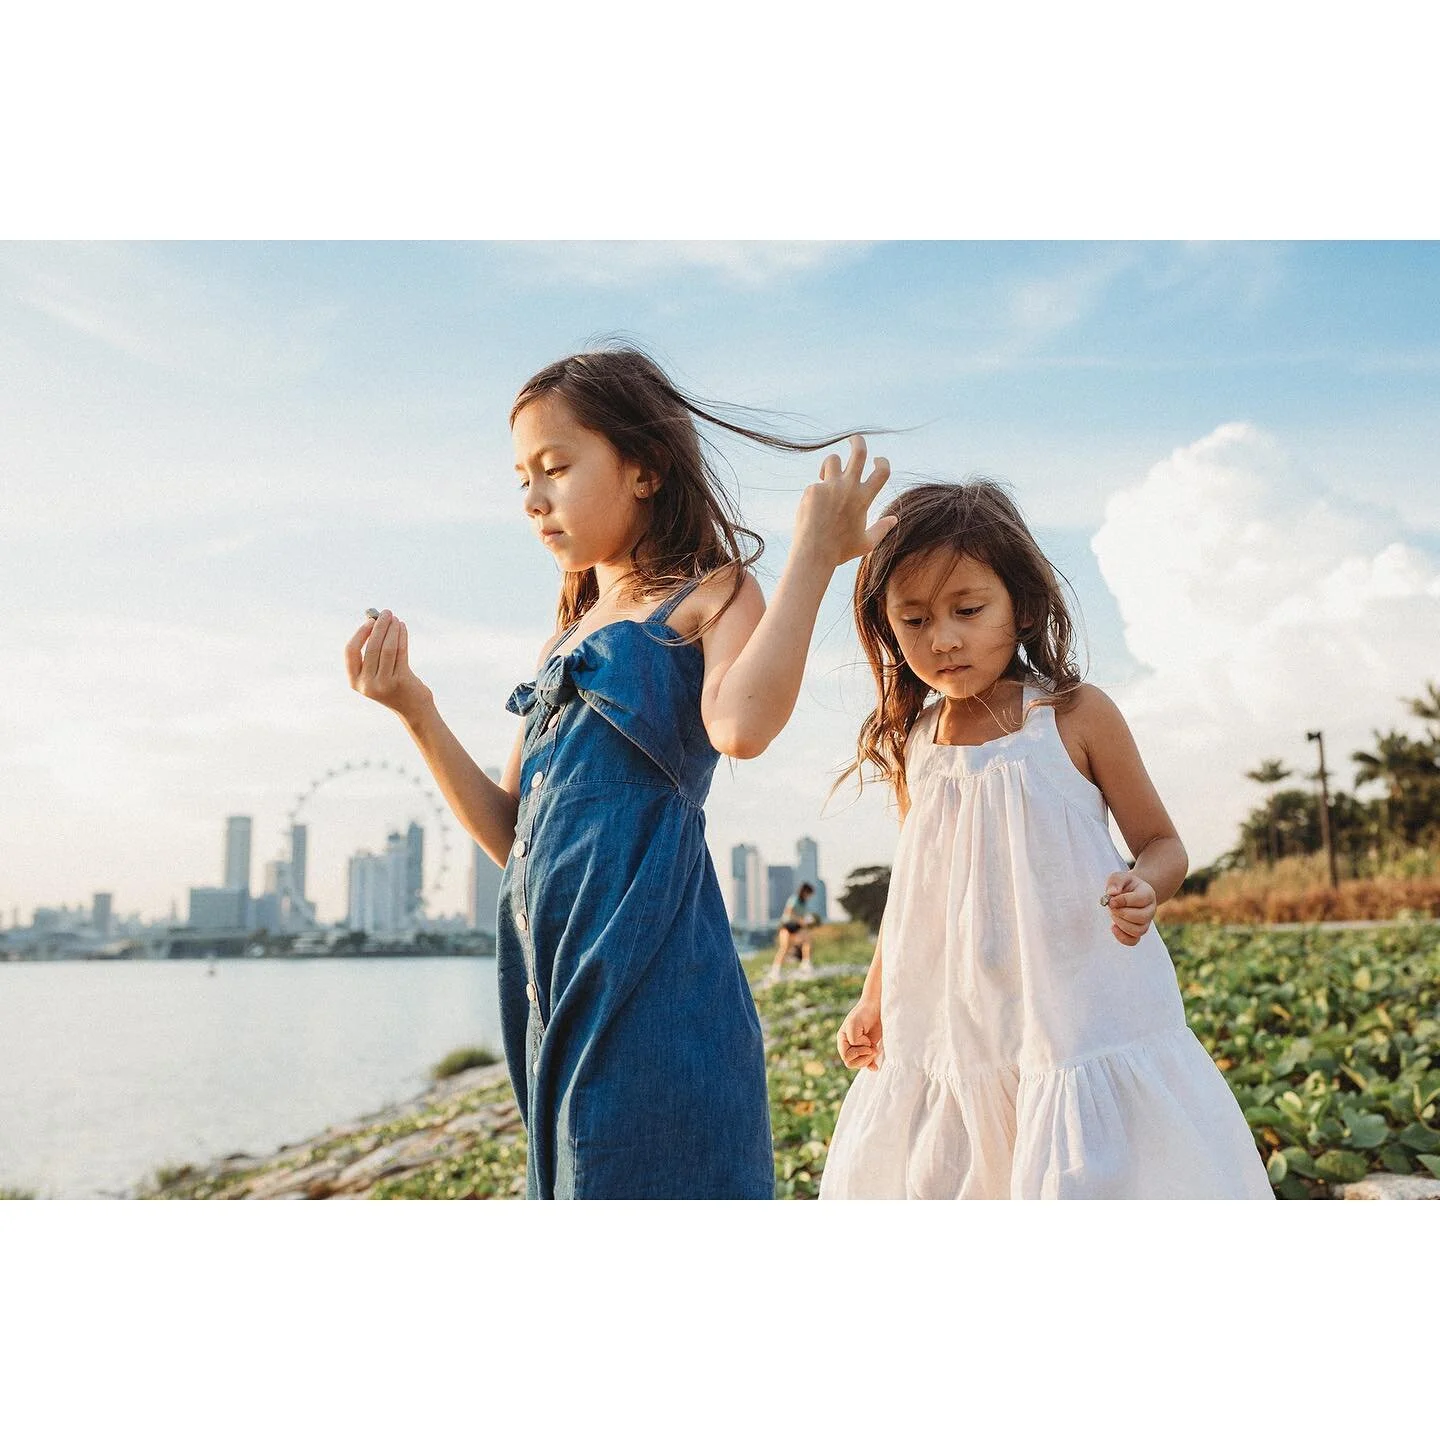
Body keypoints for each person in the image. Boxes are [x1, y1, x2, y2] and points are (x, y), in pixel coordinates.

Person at [345, 346, 894, 1199]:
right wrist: (414, 706)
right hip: (550, 988)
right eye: (521, 479)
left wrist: (814, 558)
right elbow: (510, 833)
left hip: (655, 984)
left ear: (644, 469)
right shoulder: (563, 637)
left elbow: (742, 726)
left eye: (556, 468)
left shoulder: (711, 594)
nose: (533, 500)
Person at [820, 479, 1273, 1200]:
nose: (942, 639)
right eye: (913, 619)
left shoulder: (1074, 715)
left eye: (968, 610)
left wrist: (1144, 886)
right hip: (954, 1022)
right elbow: (916, 894)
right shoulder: (917, 742)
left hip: (1079, 1008)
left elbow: (1161, 842)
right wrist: (874, 999)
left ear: (1021, 606)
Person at [768, 881, 818, 982]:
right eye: (809, 894)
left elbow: (804, 916)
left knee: (807, 940)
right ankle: (775, 971)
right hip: (787, 926)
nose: (809, 896)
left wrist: (806, 920)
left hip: (797, 928)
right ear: (805, 892)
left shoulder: (804, 903)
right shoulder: (794, 899)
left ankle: (805, 963)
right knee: (784, 948)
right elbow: (789, 911)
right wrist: (801, 920)